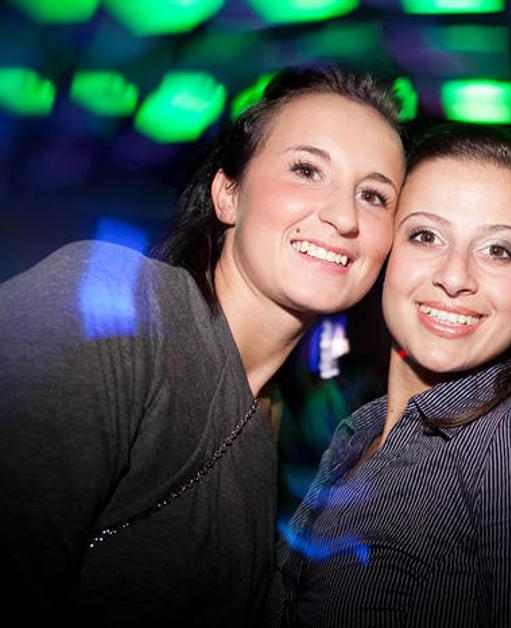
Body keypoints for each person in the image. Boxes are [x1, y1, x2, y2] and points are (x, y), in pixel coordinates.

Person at [0, 66, 406, 626]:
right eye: (307, 169)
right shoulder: (108, 310)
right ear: (227, 195)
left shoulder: (271, 438)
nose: (343, 216)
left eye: (374, 195)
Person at [266, 123, 511, 627]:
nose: (455, 277)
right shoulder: (357, 434)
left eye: (498, 250)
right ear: (387, 252)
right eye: (425, 236)